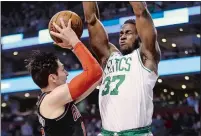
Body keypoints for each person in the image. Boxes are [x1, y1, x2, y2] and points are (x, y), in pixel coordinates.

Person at [83, 2, 161, 135]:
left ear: (139, 36)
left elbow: (141, 11)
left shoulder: (146, 56)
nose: (123, 36)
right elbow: (91, 20)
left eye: (128, 33)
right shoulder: (109, 57)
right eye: (121, 34)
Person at [26, 19, 102, 136]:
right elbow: (94, 72)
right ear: (53, 78)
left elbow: (97, 78)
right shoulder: (53, 99)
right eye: (62, 69)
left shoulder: (59, 99)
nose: (67, 73)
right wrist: (74, 42)